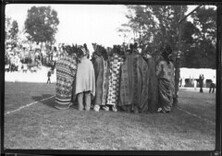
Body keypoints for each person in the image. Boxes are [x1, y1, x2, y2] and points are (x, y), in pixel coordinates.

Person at [119, 43, 149, 113]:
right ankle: (136, 109)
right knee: (137, 93)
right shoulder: (140, 59)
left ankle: (129, 109)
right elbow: (145, 68)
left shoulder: (128, 58)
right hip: (138, 78)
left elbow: (123, 67)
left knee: (130, 94)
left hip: (129, 79)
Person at [55, 45, 77, 110]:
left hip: (60, 79)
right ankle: (64, 105)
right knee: (65, 90)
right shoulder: (72, 61)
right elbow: (74, 70)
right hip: (66, 79)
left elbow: (57, 66)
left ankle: (58, 104)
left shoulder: (60, 59)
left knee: (60, 89)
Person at [75, 45, 95, 111]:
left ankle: (80, 107)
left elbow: (77, 73)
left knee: (80, 94)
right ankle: (87, 107)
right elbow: (91, 73)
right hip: (87, 81)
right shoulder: (89, 63)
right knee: (87, 94)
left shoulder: (79, 63)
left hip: (80, 81)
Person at [156, 45, 175, 113]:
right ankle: (168, 107)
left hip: (163, 80)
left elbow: (157, 73)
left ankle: (165, 108)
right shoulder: (171, 64)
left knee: (163, 94)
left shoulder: (161, 63)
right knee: (168, 94)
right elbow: (172, 73)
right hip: (170, 80)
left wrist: (156, 77)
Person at [91, 44, 110, 112]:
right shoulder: (107, 60)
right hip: (105, 79)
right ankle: (103, 105)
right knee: (104, 91)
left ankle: (97, 104)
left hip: (99, 78)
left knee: (98, 90)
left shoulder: (98, 60)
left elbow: (94, 69)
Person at [106, 45, 124, 112]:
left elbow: (109, 67)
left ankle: (108, 105)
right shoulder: (120, 59)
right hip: (117, 77)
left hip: (111, 76)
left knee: (110, 91)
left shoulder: (111, 59)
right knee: (116, 91)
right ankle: (114, 106)